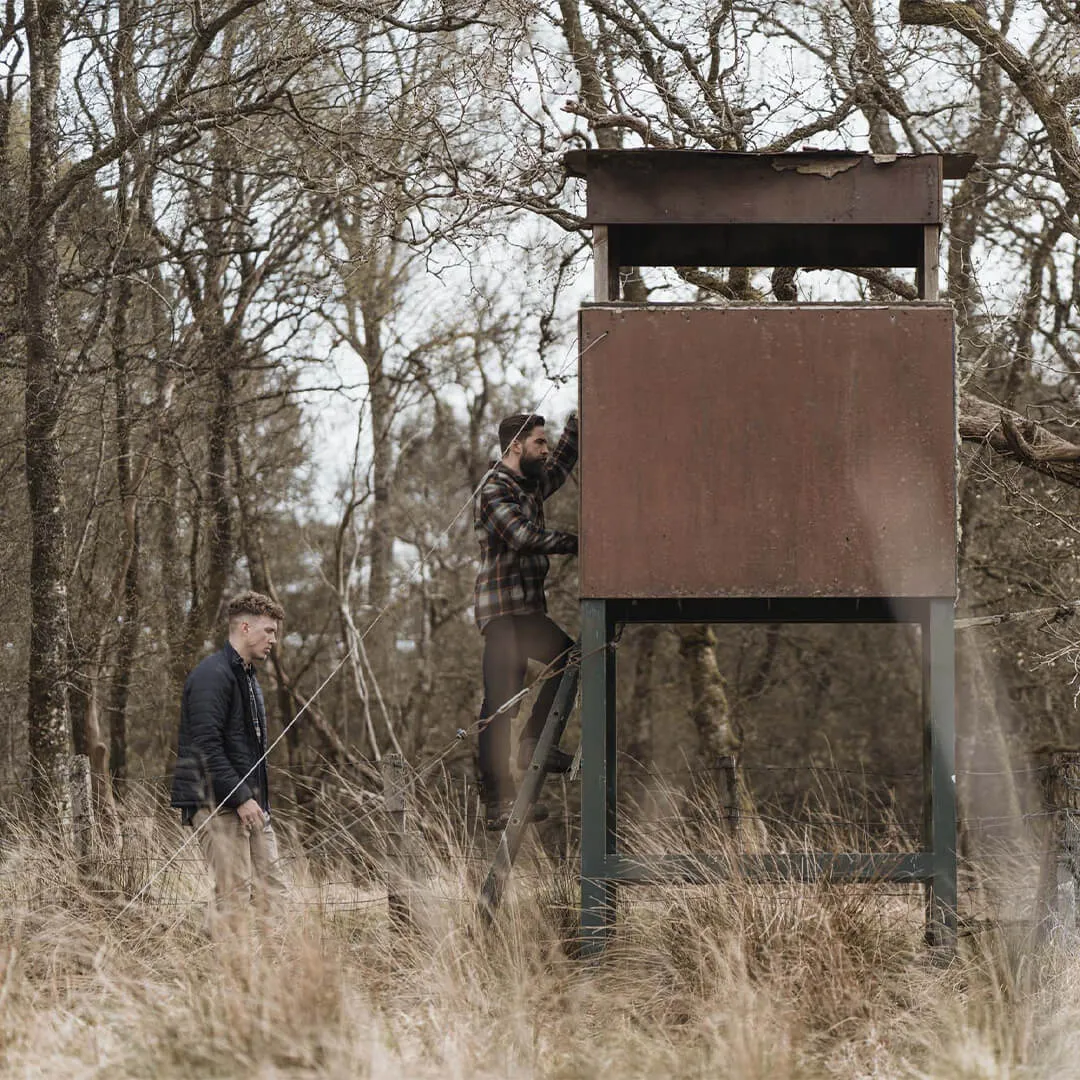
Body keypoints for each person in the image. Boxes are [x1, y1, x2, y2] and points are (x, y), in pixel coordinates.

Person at [474, 411, 579, 830]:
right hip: (502, 613)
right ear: (516, 445)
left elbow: (563, 463)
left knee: (569, 658)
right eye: (539, 442)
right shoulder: (494, 488)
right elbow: (521, 537)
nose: (546, 448)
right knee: (500, 704)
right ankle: (497, 801)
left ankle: (536, 743)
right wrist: (578, 542)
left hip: (528, 611)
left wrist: (580, 417)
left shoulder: (531, 483)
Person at [170, 590, 287, 928]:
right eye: (269, 631)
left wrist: (255, 800)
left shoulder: (247, 677)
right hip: (217, 805)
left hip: (251, 805)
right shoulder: (212, 675)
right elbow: (206, 747)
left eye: (275, 633)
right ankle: (223, 972)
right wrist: (240, 797)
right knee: (233, 896)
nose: (273, 640)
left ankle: (274, 973)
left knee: (273, 892)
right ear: (245, 627)